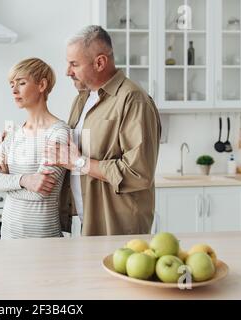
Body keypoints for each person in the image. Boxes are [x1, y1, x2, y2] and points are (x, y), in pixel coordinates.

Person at [45, 25, 162, 236]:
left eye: (74, 64)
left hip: (119, 226)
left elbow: (139, 173)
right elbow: (72, 153)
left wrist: (79, 162)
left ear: (99, 62)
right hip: (88, 220)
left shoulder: (133, 100)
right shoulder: (83, 99)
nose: (67, 72)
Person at [0, 58, 70, 239]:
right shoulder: (14, 133)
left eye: (21, 83)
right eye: (11, 85)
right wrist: (25, 180)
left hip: (43, 237)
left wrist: (6, 181)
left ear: (42, 85)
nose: (14, 90)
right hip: (8, 234)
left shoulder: (59, 132)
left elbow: (40, 193)